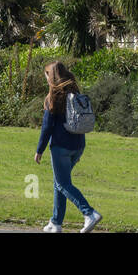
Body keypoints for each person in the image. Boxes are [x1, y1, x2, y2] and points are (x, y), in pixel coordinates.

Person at [34, 61, 101, 233]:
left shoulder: (53, 98)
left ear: (52, 76)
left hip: (61, 148)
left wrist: (39, 150)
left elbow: (47, 127)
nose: (46, 78)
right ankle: (55, 223)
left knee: (63, 184)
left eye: (46, 75)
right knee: (60, 182)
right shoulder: (75, 93)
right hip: (78, 145)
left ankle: (89, 213)